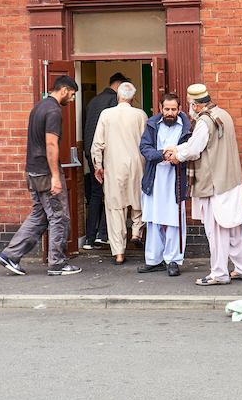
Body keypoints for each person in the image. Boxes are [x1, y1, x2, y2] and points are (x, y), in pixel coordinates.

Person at [165, 83, 242, 286]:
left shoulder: (205, 121)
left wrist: (177, 154)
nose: (189, 110)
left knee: (217, 230)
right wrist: (177, 148)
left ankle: (219, 273)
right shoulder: (223, 114)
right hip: (231, 179)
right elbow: (203, 144)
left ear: (195, 105)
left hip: (214, 183)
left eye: (190, 105)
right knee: (236, 227)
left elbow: (195, 149)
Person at [0, 76, 82, 276]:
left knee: (40, 215)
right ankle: (57, 264)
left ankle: (10, 255)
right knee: (59, 217)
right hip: (45, 172)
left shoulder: (39, 107)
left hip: (32, 170)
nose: (71, 98)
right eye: (71, 94)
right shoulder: (53, 111)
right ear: (63, 90)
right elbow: (51, 144)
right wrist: (55, 176)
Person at [92, 82, 147, 265]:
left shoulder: (106, 115)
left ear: (118, 96)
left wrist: (97, 165)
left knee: (115, 208)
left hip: (114, 165)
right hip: (137, 163)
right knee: (138, 201)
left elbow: (98, 144)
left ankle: (119, 252)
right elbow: (147, 142)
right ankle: (136, 232)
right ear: (132, 97)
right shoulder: (141, 115)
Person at [137, 93, 191, 277]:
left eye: (173, 109)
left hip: (176, 180)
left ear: (179, 109)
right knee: (153, 220)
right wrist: (162, 155)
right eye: (166, 109)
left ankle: (173, 260)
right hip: (155, 178)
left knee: (175, 222)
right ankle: (153, 260)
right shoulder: (152, 125)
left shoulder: (187, 127)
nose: (170, 112)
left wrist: (176, 156)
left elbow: (190, 150)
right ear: (160, 108)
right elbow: (144, 147)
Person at [82, 72, 130, 251]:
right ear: (119, 87)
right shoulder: (113, 102)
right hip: (107, 155)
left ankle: (89, 238)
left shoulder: (93, 101)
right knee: (112, 195)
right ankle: (104, 235)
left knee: (95, 195)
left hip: (91, 152)